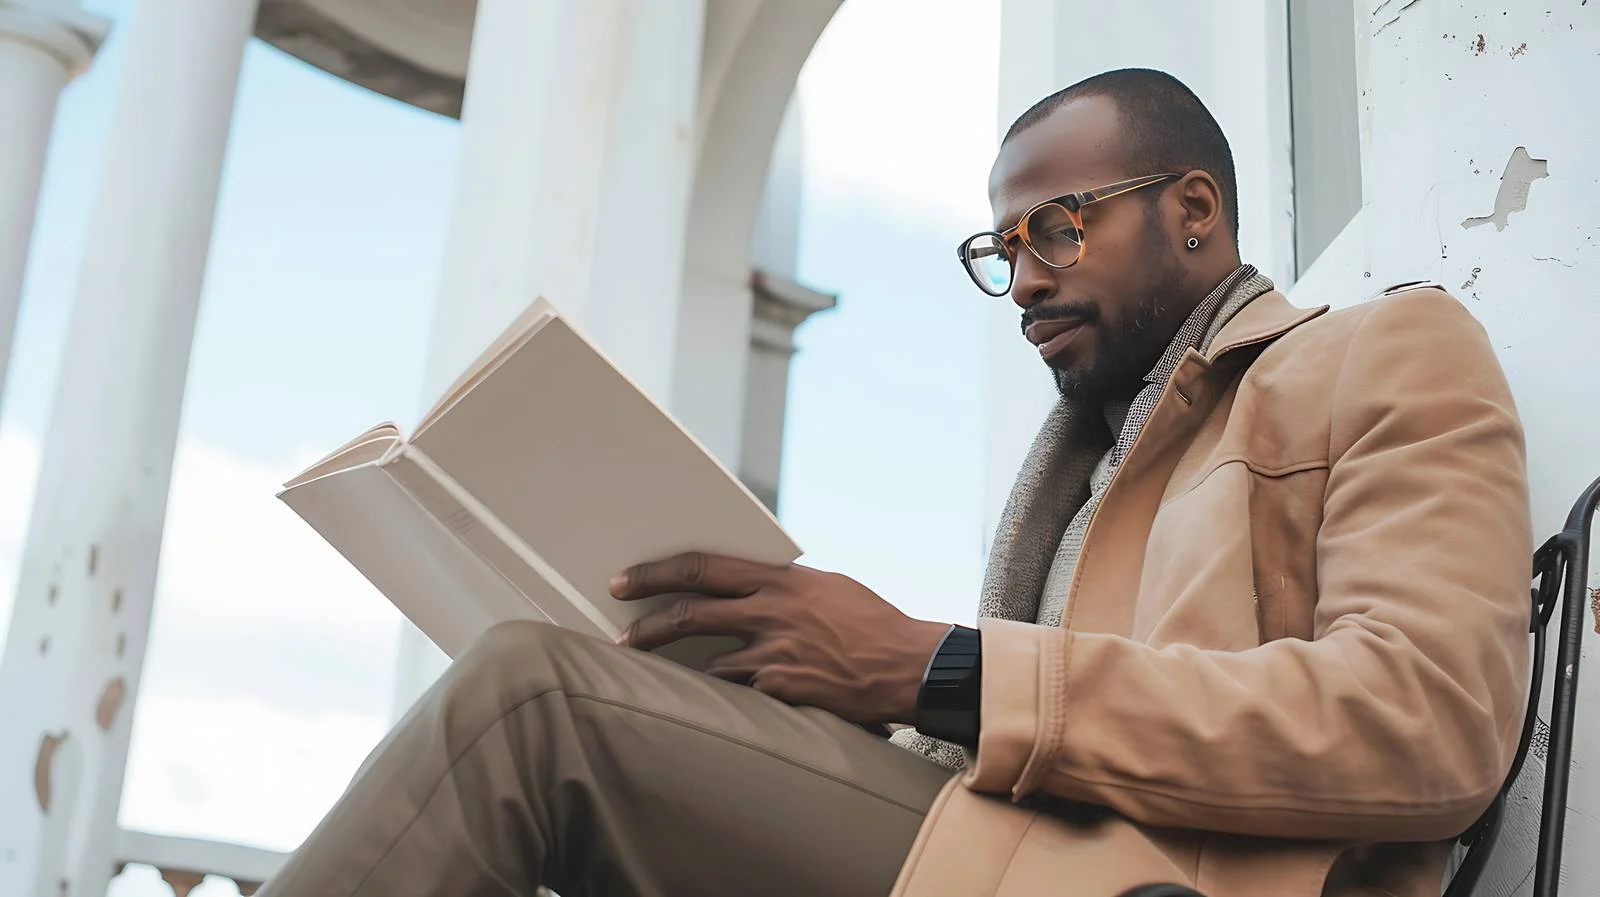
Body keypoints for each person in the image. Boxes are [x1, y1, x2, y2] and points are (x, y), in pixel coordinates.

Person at [258, 68, 1532, 897]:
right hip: (1002, 848)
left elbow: (1428, 724)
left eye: (1057, 228)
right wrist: (824, 688)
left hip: (1145, 886)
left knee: (526, 701)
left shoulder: (1384, 353)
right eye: (1000, 248)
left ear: (1194, 209)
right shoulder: (1093, 458)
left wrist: (940, 670)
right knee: (603, 712)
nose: (1023, 278)